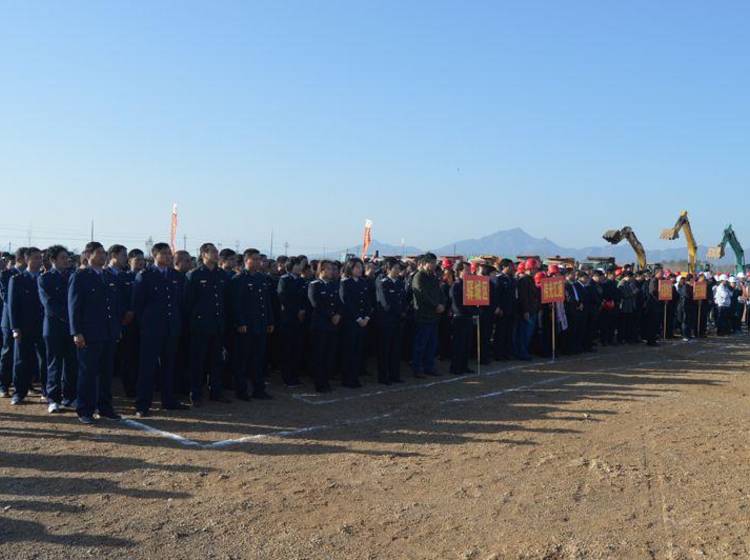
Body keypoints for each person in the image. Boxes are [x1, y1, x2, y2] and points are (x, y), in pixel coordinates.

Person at [68, 241, 122, 424]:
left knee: (106, 372)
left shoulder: (108, 276)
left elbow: (114, 306)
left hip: (108, 332)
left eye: (104, 252)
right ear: (88, 255)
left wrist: (116, 329)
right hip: (89, 333)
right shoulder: (80, 276)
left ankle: (105, 407)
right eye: (98, 253)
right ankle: (85, 409)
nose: (103, 256)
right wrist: (76, 332)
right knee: (88, 373)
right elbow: (74, 307)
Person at [131, 242, 188, 417]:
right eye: (164, 253)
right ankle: (142, 404)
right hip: (152, 329)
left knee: (169, 366)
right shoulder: (145, 275)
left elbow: (180, 302)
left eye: (169, 253)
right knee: (147, 367)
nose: (168, 256)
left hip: (171, 328)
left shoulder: (176, 276)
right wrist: (146, 324)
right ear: (154, 255)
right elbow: (138, 304)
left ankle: (168, 400)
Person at [184, 243, 231, 407]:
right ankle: (195, 394)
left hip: (217, 324)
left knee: (216, 361)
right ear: (204, 254)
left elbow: (225, 300)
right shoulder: (194, 274)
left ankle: (216, 392)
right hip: (200, 325)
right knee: (198, 361)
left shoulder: (221, 274)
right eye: (213, 251)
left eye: (217, 251)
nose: (217, 254)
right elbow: (188, 303)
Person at [231, 248, 274, 400]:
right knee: (242, 360)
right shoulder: (238, 279)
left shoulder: (262, 278)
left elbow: (266, 302)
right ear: (246, 260)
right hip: (246, 325)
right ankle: (241, 390)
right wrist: (240, 322)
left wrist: (269, 320)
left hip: (260, 324)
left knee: (258, 358)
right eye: (254, 259)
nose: (257, 262)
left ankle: (258, 389)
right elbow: (236, 304)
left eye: (258, 259)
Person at [38, 245, 77, 413]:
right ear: (53, 260)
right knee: (54, 363)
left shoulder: (73, 276)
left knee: (71, 363)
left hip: (72, 328)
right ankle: (53, 398)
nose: (66, 260)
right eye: (62, 257)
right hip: (54, 327)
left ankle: (70, 397)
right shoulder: (45, 279)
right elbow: (49, 304)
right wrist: (70, 316)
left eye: (67, 257)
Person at [8, 247, 46, 404]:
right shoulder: (17, 279)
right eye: (35, 257)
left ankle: (47, 391)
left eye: (40, 258)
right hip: (24, 327)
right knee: (21, 361)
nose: (39, 261)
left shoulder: (45, 278)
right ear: (27, 259)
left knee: (45, 360)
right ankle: (19, 392)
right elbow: (12, 306)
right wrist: (15, 328)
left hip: (43, 326)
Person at [308, 260, 342, 392]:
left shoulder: (334, 285)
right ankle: (319, 383)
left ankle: (326, 381)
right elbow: (316, 304)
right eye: (329, 269)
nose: (332, 271)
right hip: (320, 325)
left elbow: (339, 302)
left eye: (332, 269)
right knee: (320, 355)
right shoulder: (314, 285)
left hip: (333, 325)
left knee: (329, 355)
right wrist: (332, 315)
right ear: (321, 270)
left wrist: (338, 314)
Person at [339, 257, 372, 389]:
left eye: (361, 267)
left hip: (363, 321)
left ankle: (355, 377)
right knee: (349, 351)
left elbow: (368, 301)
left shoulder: (363, 282)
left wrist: (367, 317)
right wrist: (358, 318)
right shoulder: (345, 283)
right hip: (351, 322)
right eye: (357, 267)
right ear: (350, 268)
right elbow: (347, 303)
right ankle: (347, 378)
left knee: (358, 350)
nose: (360, 269)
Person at [410, 253, 445, 378]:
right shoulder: (418, 276)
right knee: (421, 344)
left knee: (432, 344)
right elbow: (422, 294)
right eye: (432, 262)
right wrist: (435, 305)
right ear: (425, 263)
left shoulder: (433, 277)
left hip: (434, 316)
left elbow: (440, 293)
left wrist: (442, 304)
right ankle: (417, 368)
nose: (434, 265)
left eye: (435, 262)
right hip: (423, 315)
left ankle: (429, 366)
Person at [277, 257, 307, 387]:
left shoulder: (301, 280)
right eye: (297, 265)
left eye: (300, 265)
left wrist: (302, 309)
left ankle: (295, 375)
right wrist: (296, 310)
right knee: (287, 349)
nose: (299, 268)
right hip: (288, 318)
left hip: (300, 319)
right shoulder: (284, 280)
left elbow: (305, 298)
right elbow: (283, 297)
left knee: (297, 349)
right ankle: (287, 376)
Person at [0, 248, 26, 398]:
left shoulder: (29, 275)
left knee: (24, 355)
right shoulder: (7, 274)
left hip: (26, 321)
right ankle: (3, 385)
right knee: (8, 352)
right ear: (21, 259)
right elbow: (6, 297)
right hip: (9, 320)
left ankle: (25, 384)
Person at [375, 258, 405, 384]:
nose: (398, 271)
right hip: (386, 321)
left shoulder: (400, 283)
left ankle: (394, 375)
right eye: (395, 268)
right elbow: (385, 304)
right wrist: (399, 312)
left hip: (398, 321)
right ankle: (383, 376)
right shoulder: (383, 283)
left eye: (399, 268)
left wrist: (403, 312)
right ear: (388, 269)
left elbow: (403, 300)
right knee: (385, 350)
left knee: (396, 349)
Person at [450, 261, 477, 374]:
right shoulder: (456, 285)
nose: (469, 272)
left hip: (468, 317)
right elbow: (456, 305)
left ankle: (464, 365)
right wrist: (470, 311)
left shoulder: (469, 284)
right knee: (459, 344)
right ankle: (456, 367)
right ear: (460, 271)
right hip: (460, 318)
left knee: (467, 344)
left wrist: (476, 310)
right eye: (467, 270)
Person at [515, 258, 540, 360]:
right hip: (527, 311)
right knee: (524, 333)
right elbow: (523, 297)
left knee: (528, 333)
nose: (536, 271)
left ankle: (524, 351)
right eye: (534, 268)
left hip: (532, 310)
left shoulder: (530, 280)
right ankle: (522, 353)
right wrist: (525, 311)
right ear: (530, 268)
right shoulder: (524, 280)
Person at [492, 259, 515, 360]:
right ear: (504, 267)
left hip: (511, 310)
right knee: (500, 333)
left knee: (508, 333)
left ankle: (507, 353)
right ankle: (498, 354)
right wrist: (497, 307)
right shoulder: (499, 279)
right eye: (510, 266)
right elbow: (496, 295)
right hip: (502, 310)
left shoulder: (512, 279)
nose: (512, 268)